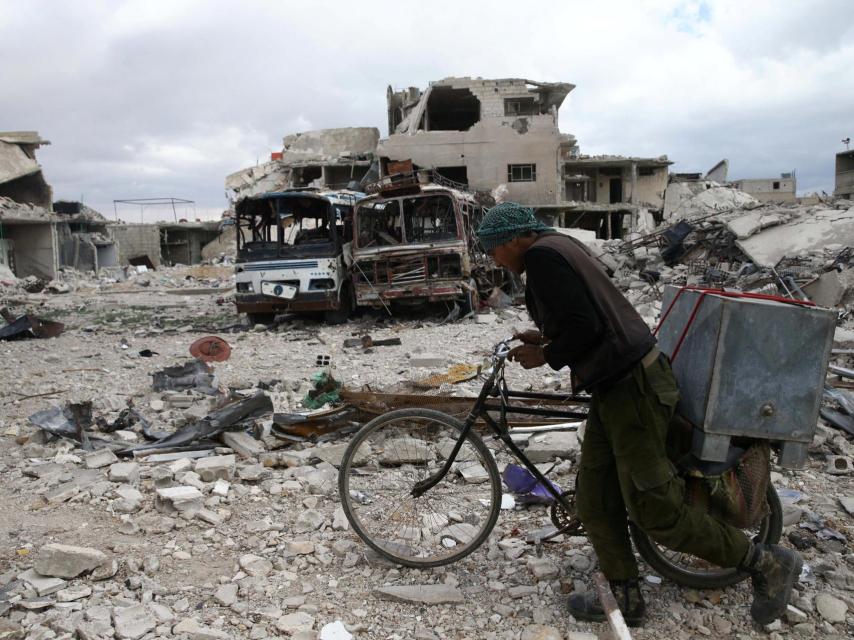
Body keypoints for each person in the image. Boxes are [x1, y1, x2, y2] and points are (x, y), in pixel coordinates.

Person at [475, 202, 802, 627]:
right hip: (615, 390)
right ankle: (626, 597)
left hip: (634, 390)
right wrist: (546, 336)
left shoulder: (541, 257)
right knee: (594, 499)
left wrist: (546, 353)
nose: (492, 258)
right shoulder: (559, 247)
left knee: (655, 510)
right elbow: (589, 317)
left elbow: (586, 327)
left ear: (514, 239)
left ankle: (765, 564)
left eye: (492, 249)